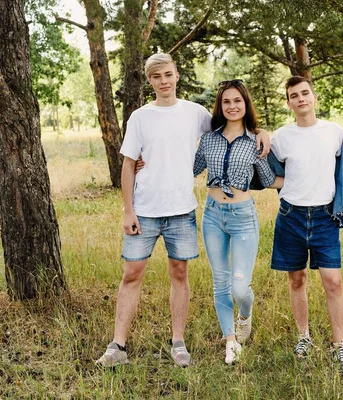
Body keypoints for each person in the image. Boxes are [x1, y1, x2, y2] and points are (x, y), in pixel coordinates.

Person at [95, 54, 270, 368]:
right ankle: (117, 346)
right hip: (145, 210)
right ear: (150, 81)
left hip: (182, 211)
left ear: (177, 76)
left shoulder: (196, 113)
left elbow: (232, 123)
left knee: (179, 274)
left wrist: (263, 133)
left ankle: (178, 342)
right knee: (131, 274)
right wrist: (127, 210)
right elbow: (127, 165)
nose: (163, 81)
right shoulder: (139, 116)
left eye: (168, 74)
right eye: (156, 76)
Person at [193, 79, 283, 365]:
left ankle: (245, 314)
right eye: (226, 102)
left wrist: (315, 177)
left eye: (237, 101)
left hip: (243, 217)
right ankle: (230, 340)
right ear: (220, 106)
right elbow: (190, 168)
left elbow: (269, 180)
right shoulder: (209, 139)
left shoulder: (254, 141)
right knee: (220, 281)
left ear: (246, 105)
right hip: (212, 215)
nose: (232, 106)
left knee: (239, 289)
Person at [269, 76, 343, 368]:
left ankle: (338, 343)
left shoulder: (334, 132)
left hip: (324, 217)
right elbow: (270, 174)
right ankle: (303, 336)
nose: (301, 99)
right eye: (295, 95)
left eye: (305, 93)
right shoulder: (281, 137)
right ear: (289, 103)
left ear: (314, 97)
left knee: (333, 282)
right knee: (297, 279)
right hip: (291, 215)